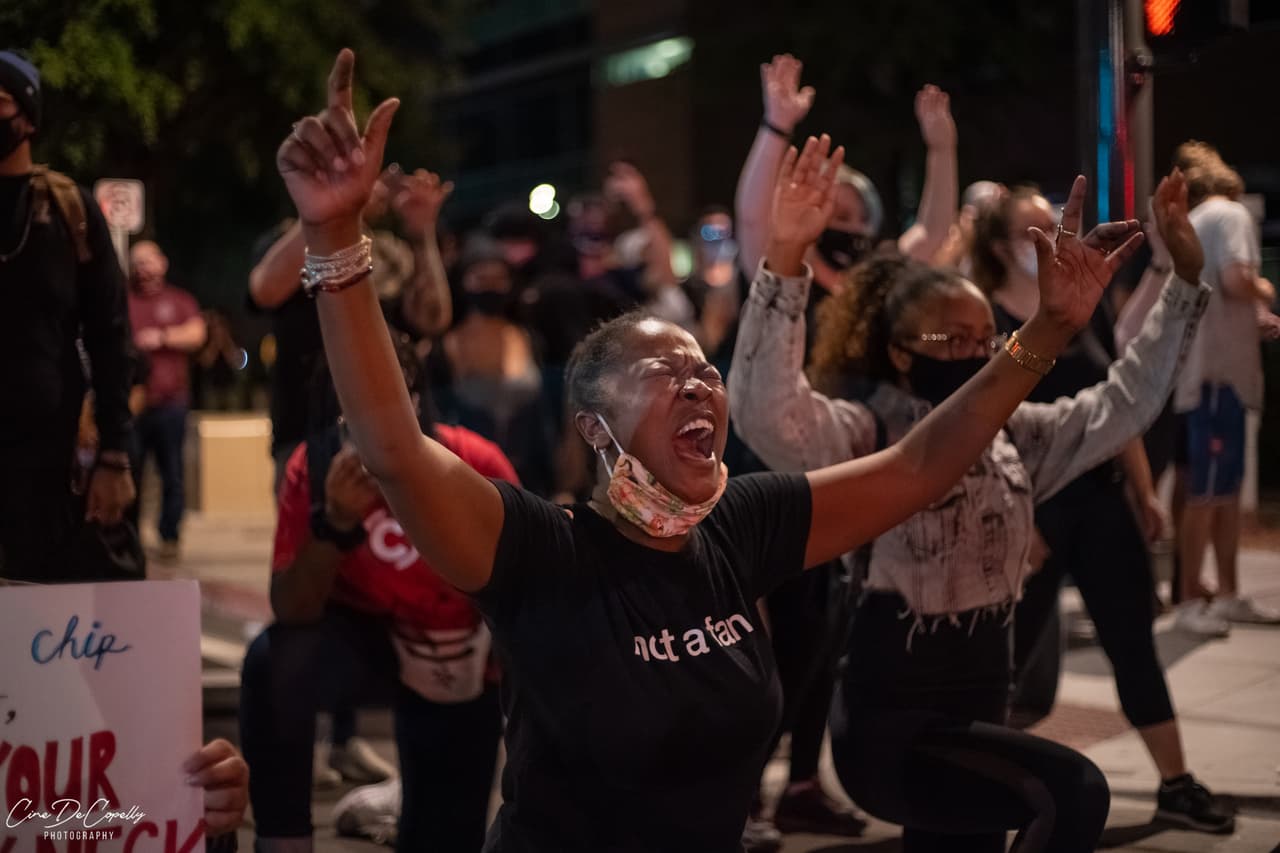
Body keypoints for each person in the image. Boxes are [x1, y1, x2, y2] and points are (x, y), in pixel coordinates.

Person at [276, 50, 1143, 851]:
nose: (697, 382)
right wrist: (335, 238)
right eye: (661, 369)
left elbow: (918, 467)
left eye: (701, 369)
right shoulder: (542, 554)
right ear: (594, 426)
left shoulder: (739, 525)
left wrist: (1046, 333)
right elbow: (393, 446)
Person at [732, 164, 1220, 848]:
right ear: (902, 354)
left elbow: (1124, 402)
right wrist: (783, 260)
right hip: (890, 724)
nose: (974, 353)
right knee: (1073, 790)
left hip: (981, 707)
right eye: (951, 340)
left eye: (985, 339)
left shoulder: (1015, 436)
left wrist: (1185, 282)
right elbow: (764, 413)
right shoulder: (865, 435)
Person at [968, 182, 1233, 833]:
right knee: (1001, 659)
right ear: (1002, 247)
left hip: (1102, 503)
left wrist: (1143, 491)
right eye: (1039, 230)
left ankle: (1175, 782)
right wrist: (1018, 520)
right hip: (1033, 512)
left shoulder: (1082, 306)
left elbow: (1118, 403)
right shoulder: (985, 320)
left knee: (1132, 641)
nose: (1059, 239)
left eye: (1061, 226)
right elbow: (980, 428)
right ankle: (972, 783)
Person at [241, 341, 515, 853]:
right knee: (273, 659)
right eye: (355, 399)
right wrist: (336, 526)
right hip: (369, 646)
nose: (374, 417)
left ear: (417, 398)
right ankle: (283, 839)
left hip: (460, 650)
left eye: (391, 396)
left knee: (443, 838)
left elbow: (525, 585)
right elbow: (292, 607)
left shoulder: (474, 459)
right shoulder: (316, 465)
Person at [0, 50, 137, 582]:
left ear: (28, 116)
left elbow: (111, 336)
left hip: (48, 460)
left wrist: (115, 456)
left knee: (41, 619)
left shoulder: (67, 212)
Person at [249, 166, 454, 492]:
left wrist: (421, 230)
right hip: (306, 434)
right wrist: (332, 210)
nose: (382, 180)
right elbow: (265, 290)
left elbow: (432, 319)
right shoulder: (290, 237)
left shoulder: (390, 252)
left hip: (389, 439)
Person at [1169, 140, 1280, 635]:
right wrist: (1265, 288)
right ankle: (1194, 599)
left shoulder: (1197, 222)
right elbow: (1237, 280)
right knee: (1210, 493)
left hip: (1206, 374)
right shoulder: (1230, 215)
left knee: (1221, 491)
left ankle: (1224, 594)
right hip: (1219, 378)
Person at [736, 54, 958, 294]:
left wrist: (942, 150)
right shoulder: (781, 273)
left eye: (851, 217)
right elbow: (752, 219)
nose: (852, 229)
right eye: (832, 214)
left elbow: (932, 232)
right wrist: (775, 127)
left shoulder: (877, 281)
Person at [430, 239, 557, 496]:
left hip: (533, 482)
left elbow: (546, 419)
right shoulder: (448, 346)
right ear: (464, 282)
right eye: (481, 278)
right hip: (474, 481)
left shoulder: (527, 337)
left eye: (498, 278)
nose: (490, 286)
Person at [126, 240, 207, 562]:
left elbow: (197, 334)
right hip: (132, 405)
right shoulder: (124, 301)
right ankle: (128, 536)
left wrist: (159, 338)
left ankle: (169, 536)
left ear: (163, 263)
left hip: (171, 404)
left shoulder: (179, 301)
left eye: (148, 261)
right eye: (137, 262)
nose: (143, 268)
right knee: (131, 471)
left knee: (171, 472)